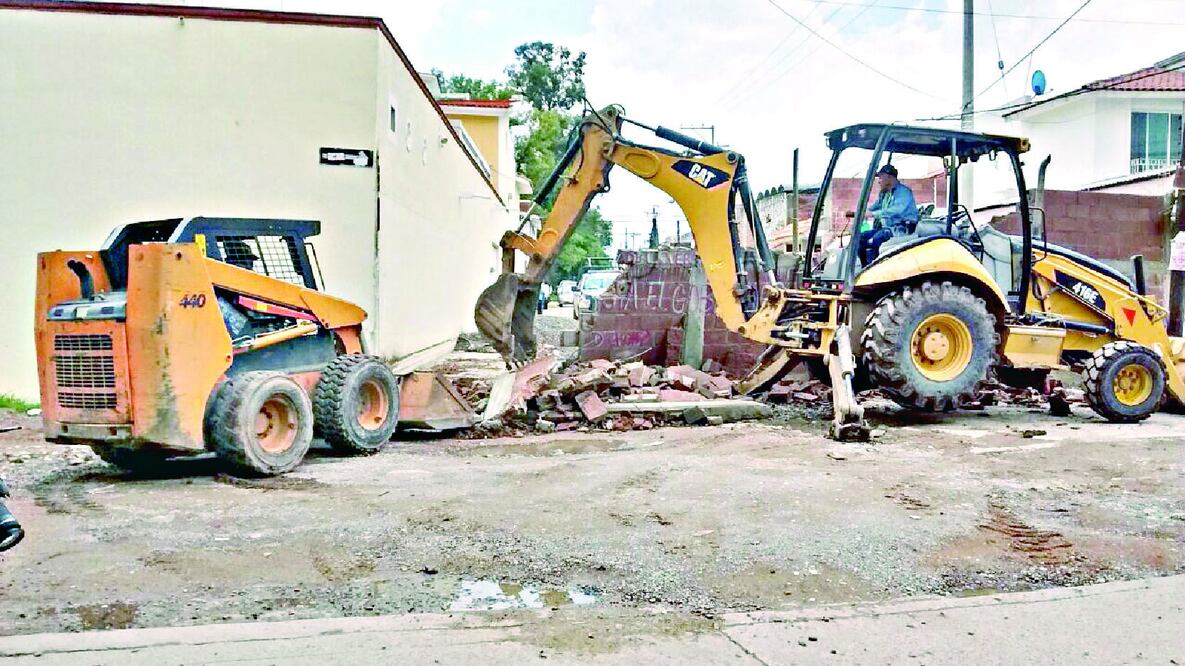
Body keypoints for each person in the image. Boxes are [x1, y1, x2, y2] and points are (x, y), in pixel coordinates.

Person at [857, 164, 918, 266]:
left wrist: (872, 214)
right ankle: (864, 266)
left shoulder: (903, 192)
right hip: (888, 228)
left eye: (881, 177)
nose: (879, 181)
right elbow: (875, 206)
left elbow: (896, 210)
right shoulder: (885, 193)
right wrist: (861, 212)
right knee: (860, 237)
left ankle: (875, 267)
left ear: (889, 177)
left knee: (877, 238)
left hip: (902, 229)